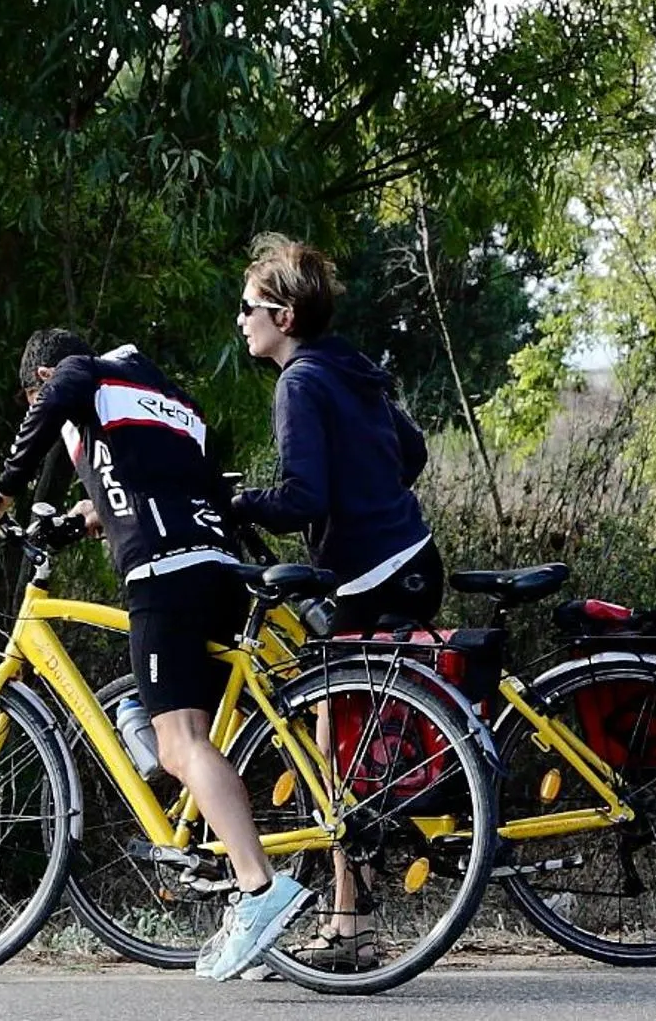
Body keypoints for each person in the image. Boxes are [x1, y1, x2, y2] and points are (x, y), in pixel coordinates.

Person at [0, 327, 312, 982]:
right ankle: (251, 907)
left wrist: (4, 485)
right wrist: (67, 520)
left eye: (34, 397)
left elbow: (65, 388)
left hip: (164, 574)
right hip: (217, 566)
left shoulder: (78, 377)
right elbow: (134, 488)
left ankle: (261, 889)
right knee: (177, 730)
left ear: (40, 382)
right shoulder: (160, 397)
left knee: (180, 744)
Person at [228, 233, 442, 973]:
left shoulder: (300, 383)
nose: (241, 321)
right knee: (345, 738)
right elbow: (410, 455)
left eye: (249, 309)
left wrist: (234, 502)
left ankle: (351, 922)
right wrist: (370, 493)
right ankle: (351, 916)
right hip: (409, 560)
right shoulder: (353, 368)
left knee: (336, 750)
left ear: (283, 316)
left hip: (373, 576)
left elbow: (300, 499)